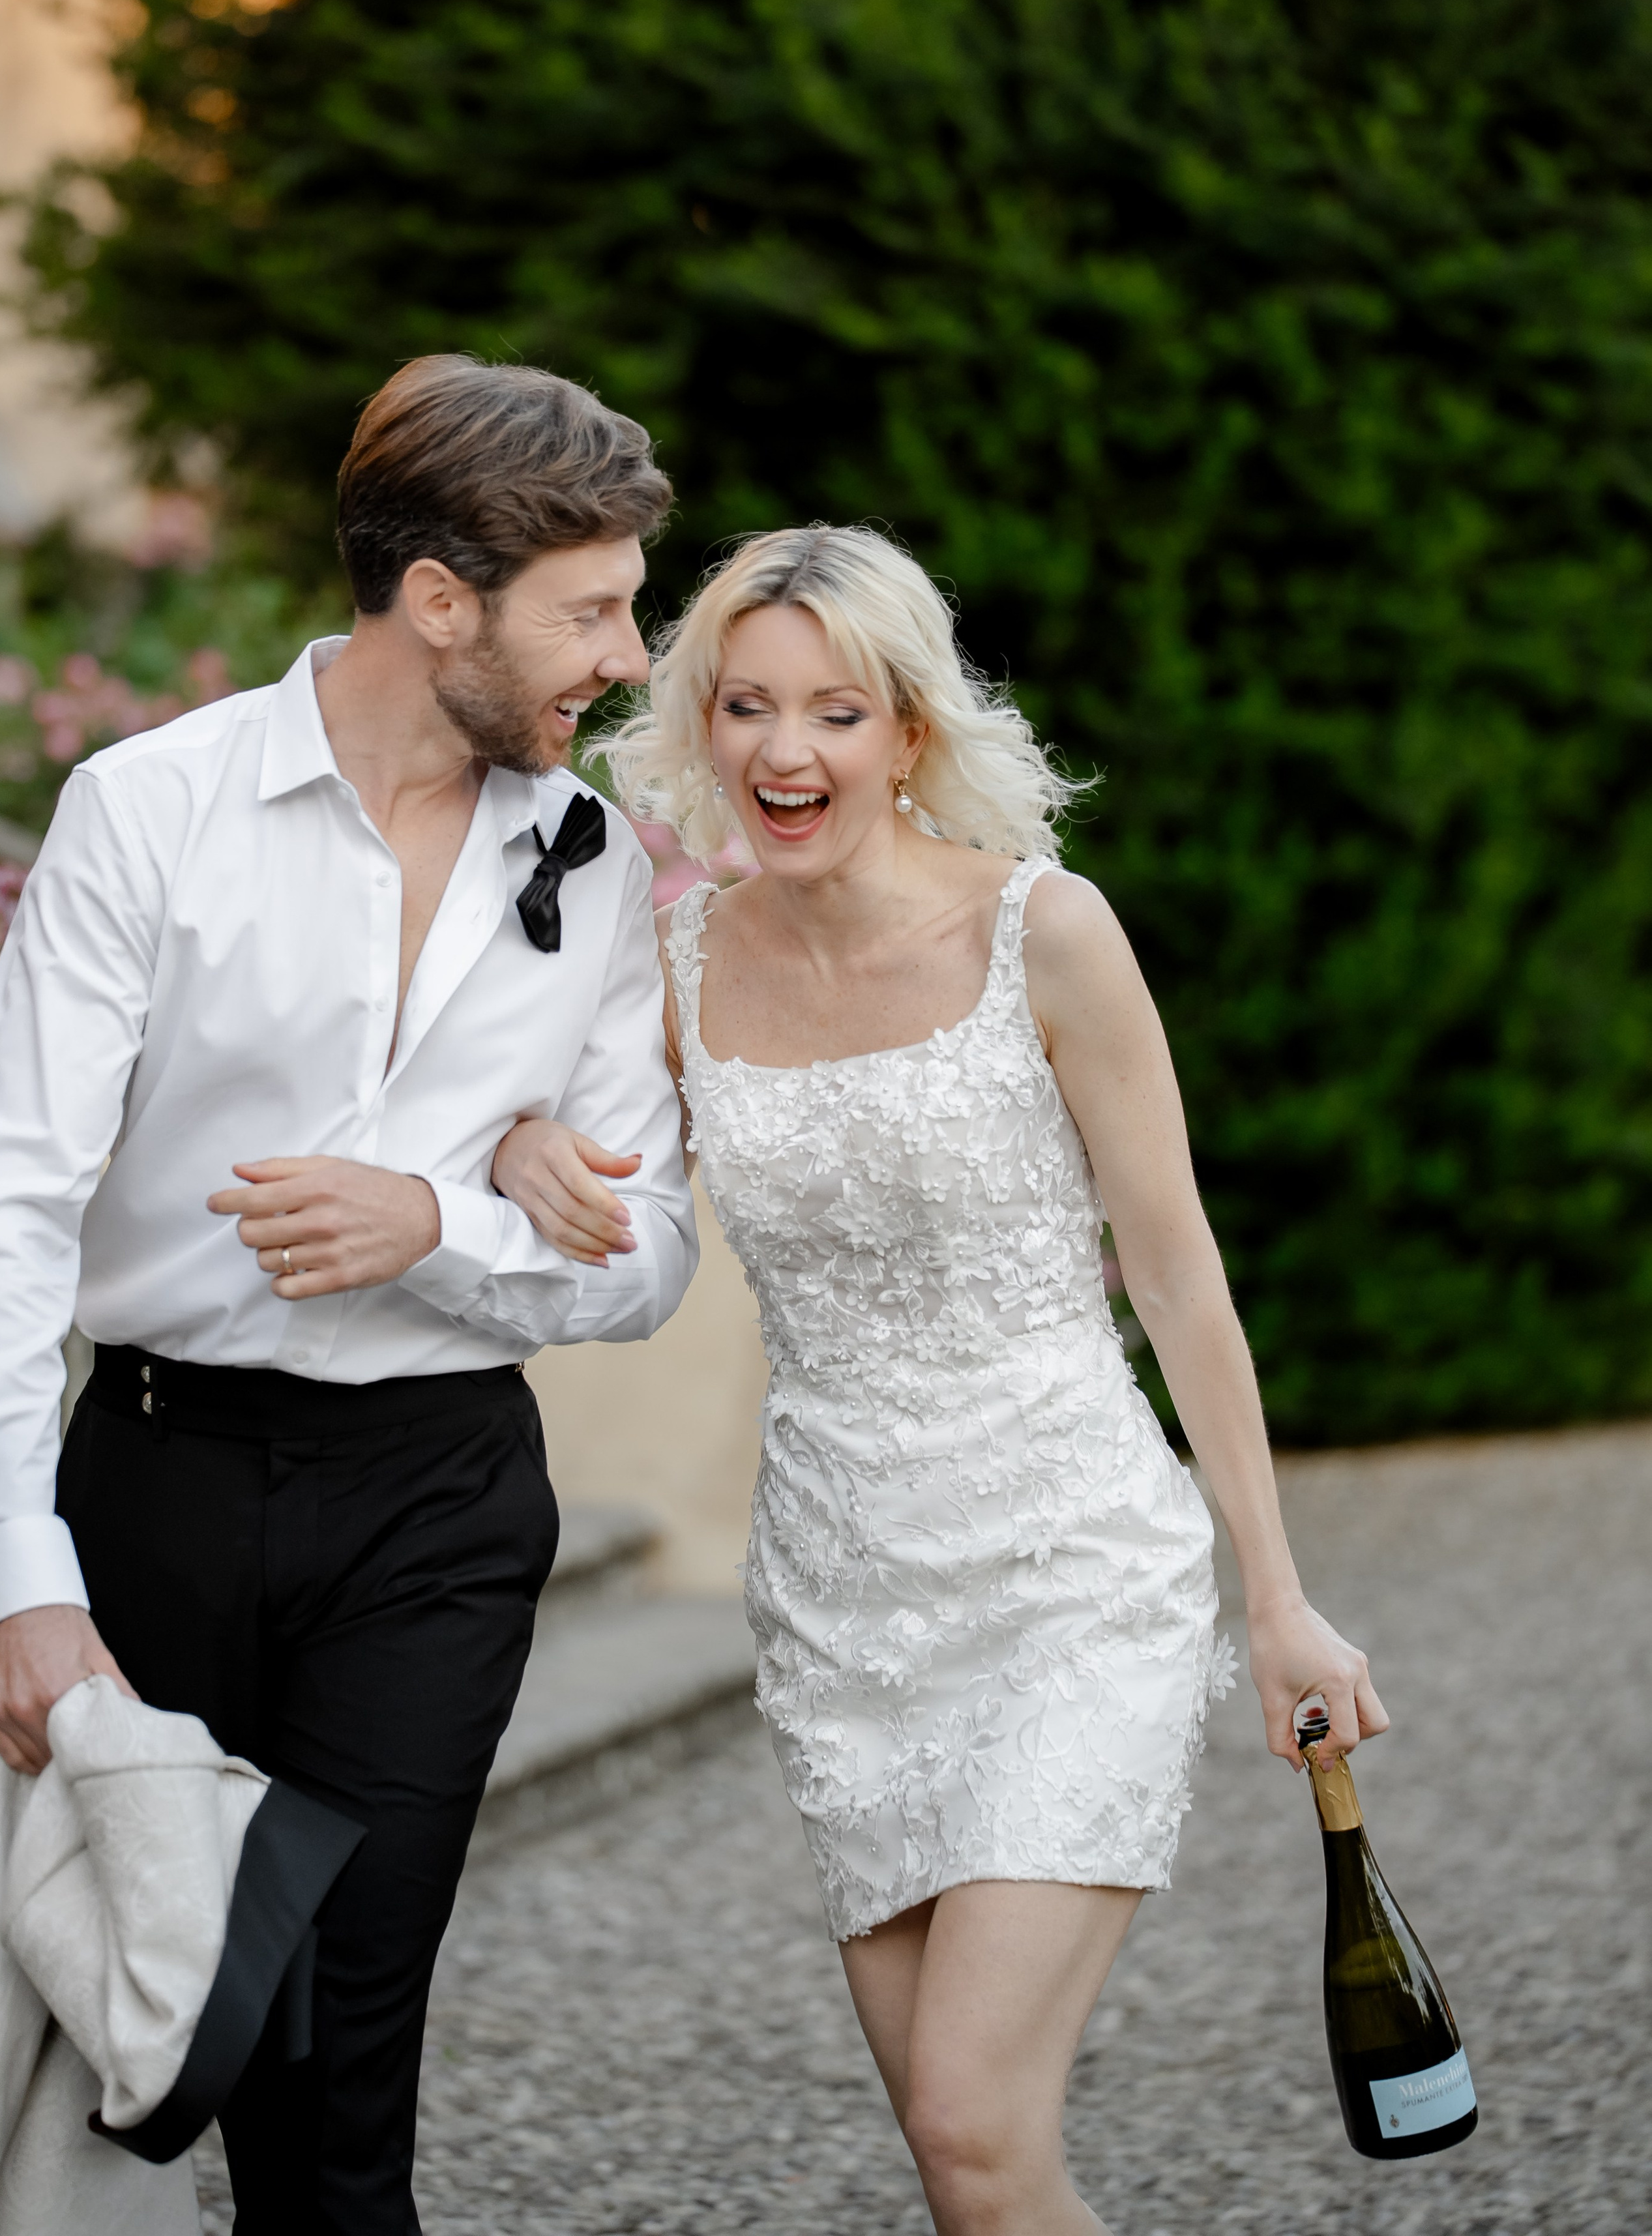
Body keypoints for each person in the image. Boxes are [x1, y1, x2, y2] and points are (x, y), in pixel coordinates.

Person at [492, 523, 1387, 2236]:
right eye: (746, 707)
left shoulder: (1050, 933)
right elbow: (591, 1164)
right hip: (839, 1608)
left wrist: (1278, 1600)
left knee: (977, 2126)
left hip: (1068, 1571)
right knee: (965, 2159)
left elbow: (1182, 1277)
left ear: (907, 732)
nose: (782, 752)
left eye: (834, 713)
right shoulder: (670, 971)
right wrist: (530, 1130)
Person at [0, 355, 698, 2234]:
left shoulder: (596, 860)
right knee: (90, 2057)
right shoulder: (149, 811)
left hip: (438, 1504)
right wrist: (17, 1579)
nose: (627, 658)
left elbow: (657, 1251)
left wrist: (436, 1225)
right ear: (441, 598)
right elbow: (7, 1208)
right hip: (154, 1482)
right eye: (594, 610)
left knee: (342, 2053)